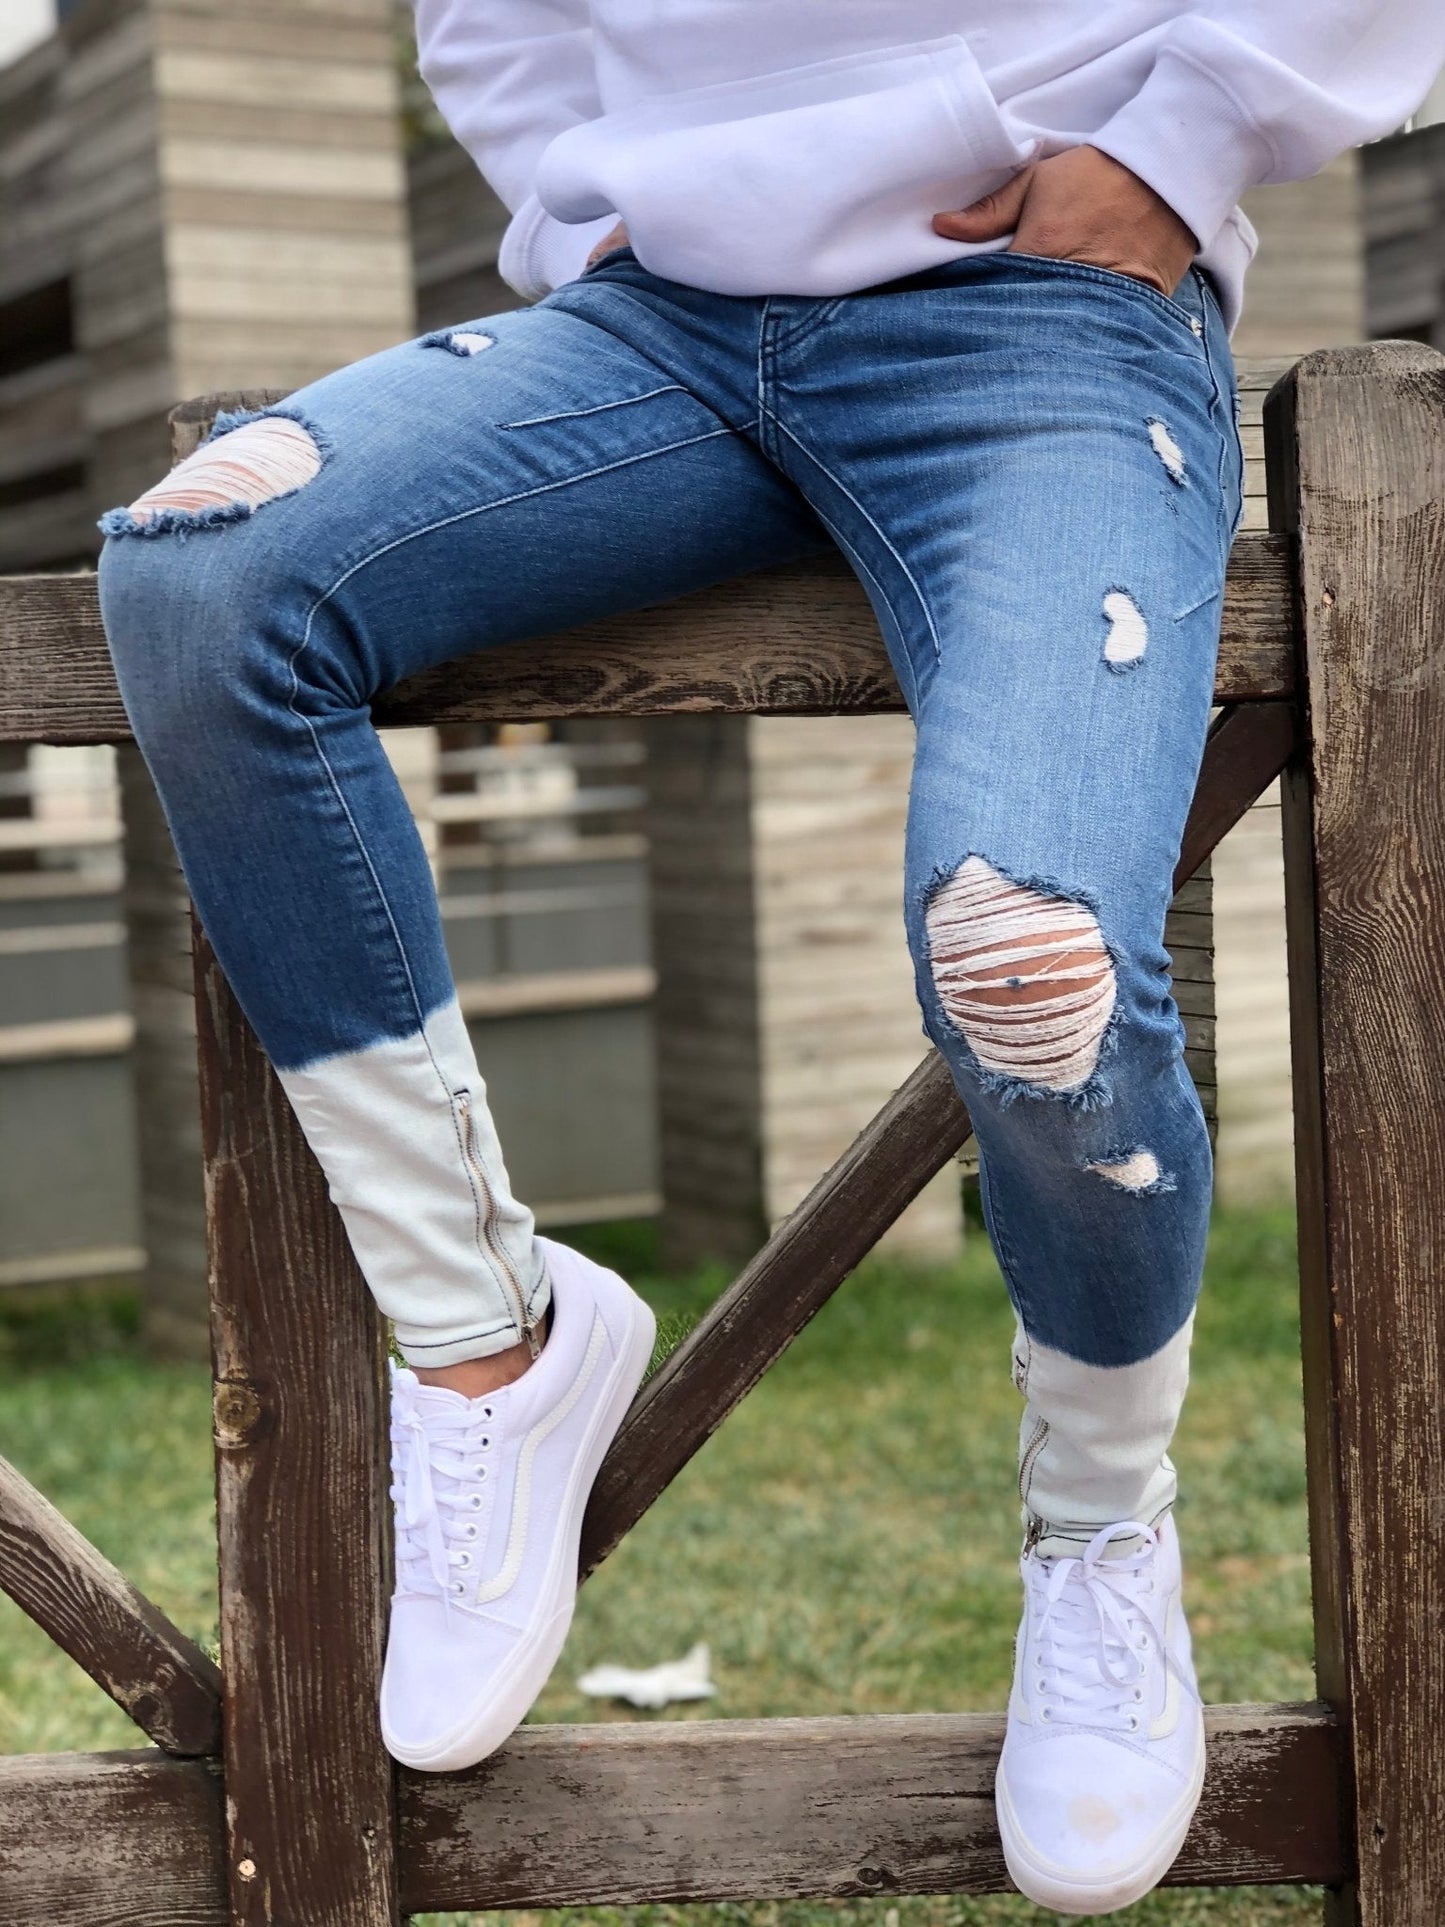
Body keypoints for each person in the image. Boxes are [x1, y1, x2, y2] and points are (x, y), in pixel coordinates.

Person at [95, 2, 1441, 1912]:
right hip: (652, 324)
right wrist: (590, 210)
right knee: (203, 571)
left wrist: (1180, 142)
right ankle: (491, 1347)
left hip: (1042, 305)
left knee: (1027, 953)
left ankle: (1097, 1529)